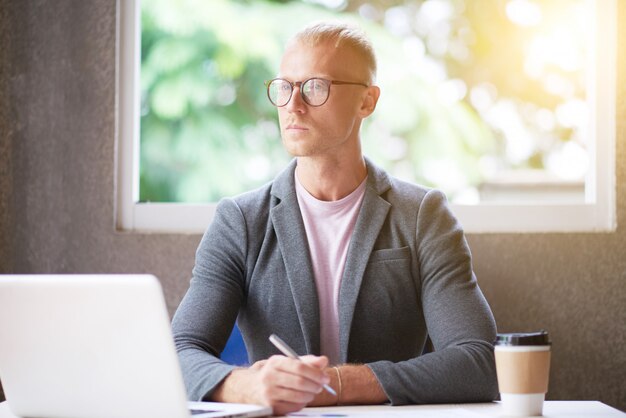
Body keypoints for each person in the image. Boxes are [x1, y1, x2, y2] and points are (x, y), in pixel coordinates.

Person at [172, 21, 498, 416]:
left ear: (367, 101)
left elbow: (480, 362)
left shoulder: (423, 216)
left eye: (314, 86)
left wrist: (336, 385)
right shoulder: (239, 220)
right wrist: (248, 386)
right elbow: (177, 353)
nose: (293, 104)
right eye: (285, 87)